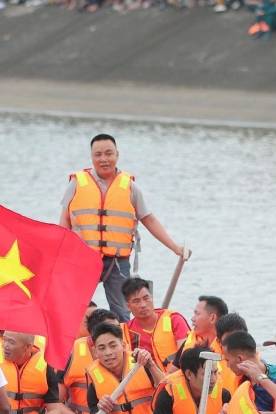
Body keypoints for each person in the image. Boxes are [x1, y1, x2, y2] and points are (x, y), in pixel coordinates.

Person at [59, 135, 184, 319]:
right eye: (98, 154)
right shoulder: (76, 183)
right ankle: (73, 346)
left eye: (109, 153)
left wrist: (175, 248)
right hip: (82, 258)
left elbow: (149, 219)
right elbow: (64, 221)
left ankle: (125, 345)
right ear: (92, 157)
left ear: (117, 155)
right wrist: (61, 252)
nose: (104, 159)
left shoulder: (130, 187)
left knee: (122, 312)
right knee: (73, 308)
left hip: (117, 262)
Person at [81, 323, 165, 414]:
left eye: (113, 346)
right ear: (95, 351)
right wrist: (104, 411)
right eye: (102, 348)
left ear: (123, 345)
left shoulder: (142, 364)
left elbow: (168, 390)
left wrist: (151, 364)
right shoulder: (94, 382)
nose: (108, 353)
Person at [0, 332, 68, 414]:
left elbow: (56, 412)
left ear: (28, 347)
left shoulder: (45, 367)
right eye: (4, 340)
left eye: (11, 342)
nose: (5, 346)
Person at [120, 276, 189, 369]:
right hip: (147, 380)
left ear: (151, 298)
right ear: (128, 306)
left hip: (176, 378)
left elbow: (187, 353)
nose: (143, 305)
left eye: (146, 298)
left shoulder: (174, 319)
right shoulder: (125, 330)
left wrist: (168, 375)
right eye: (136, 301)